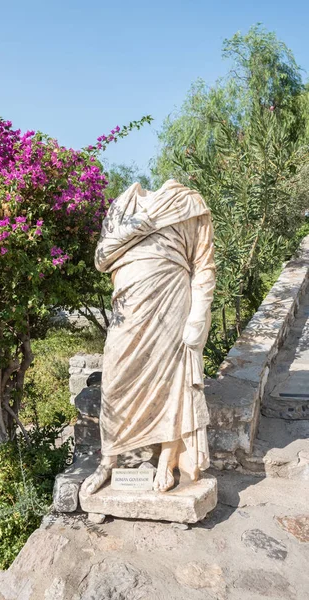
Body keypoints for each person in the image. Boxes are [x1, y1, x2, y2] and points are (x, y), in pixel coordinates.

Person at [82, 179, 216, 495]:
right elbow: (101, 258)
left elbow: (204, 266)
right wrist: (140, 225)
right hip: (128, 305)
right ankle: (107, 462)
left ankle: (166, 461)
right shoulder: (121, 207)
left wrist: (198, 315)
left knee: (170, 383)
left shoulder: (189, 203)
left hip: (172, 301)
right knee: (114, 380)